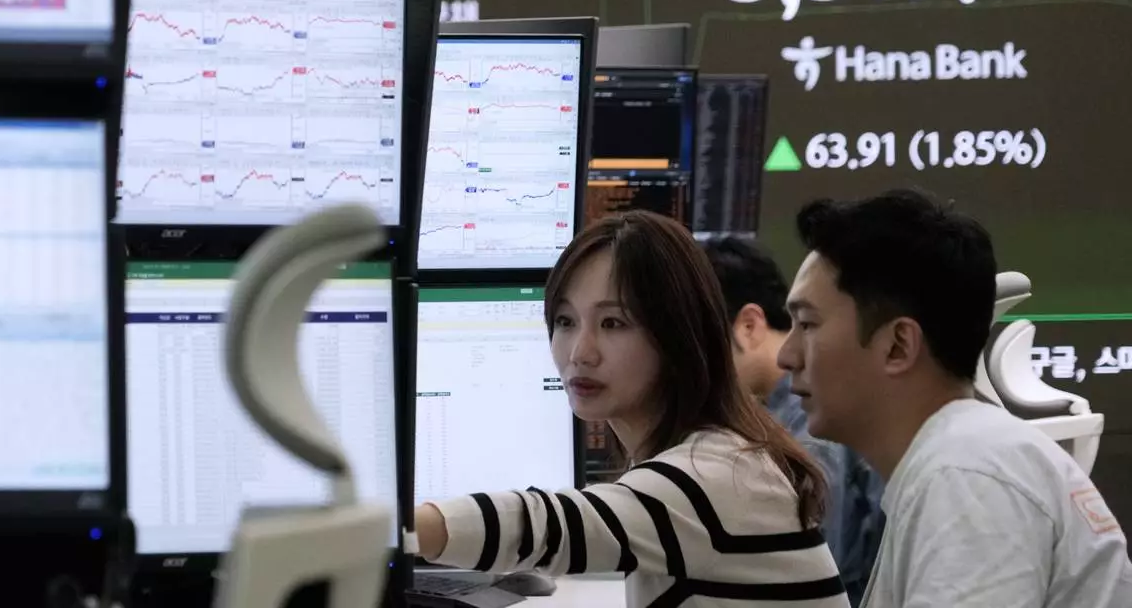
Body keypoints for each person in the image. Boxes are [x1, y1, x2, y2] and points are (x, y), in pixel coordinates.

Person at [415, 210, 849, 607]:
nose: (580, 353)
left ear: (676, 336)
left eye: (613, 324)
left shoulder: (715, 472)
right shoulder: (716, 453)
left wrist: (401, 531)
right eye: (565, 322)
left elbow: (553, 527)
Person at [777, 188, 1132, 607]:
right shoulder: (958, 461)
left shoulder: (967, 475)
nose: (787, 356)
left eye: (807, 324)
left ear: (898, 346)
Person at [702, 236, 885, 606]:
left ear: (749, 325)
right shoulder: (775, 417)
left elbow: (802, 578)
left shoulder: (811, 427)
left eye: (695, 342)